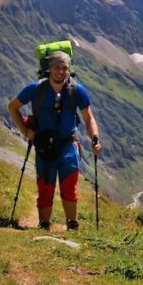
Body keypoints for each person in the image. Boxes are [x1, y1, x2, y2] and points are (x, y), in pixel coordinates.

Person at [7, 51, 101, 230]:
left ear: (69, 70)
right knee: (45, 186)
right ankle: (44, 225)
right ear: (49, 69)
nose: (60, 71)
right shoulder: (35, 89)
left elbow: (89, 118)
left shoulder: (76, 90)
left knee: (69, 186)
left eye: (64, 68)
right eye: (57, 67)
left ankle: (72, 225)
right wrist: (25, 130)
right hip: (44, 146)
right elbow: (12, 107)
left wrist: (95, 139)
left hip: (68, 145)